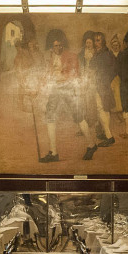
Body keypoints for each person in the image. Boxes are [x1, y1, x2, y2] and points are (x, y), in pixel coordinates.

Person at [39, 29, 95, 162]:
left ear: (63, 44)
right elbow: (46, 75)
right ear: (51, 46)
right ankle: (53, 153)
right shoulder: (51, 58)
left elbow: (74, 74)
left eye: (59, 45)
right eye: (54, 46)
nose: (57, 48)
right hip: (55, 90)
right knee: (50, 116)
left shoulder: (71, 55)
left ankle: (92, 144)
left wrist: (60, 78)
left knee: (78, 117)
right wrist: (36, 89)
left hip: (69, 89)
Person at [87, 31, 116, 147]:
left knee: (101, 108)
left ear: (103, 41)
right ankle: (106, 133)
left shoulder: (104, 54)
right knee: (104, 108)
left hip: (102, 85)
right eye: (95, 40)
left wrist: (106, 79)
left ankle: (109, 137)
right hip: (100, 84)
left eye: (98, 40)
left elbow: (113, 69)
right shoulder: (99, 53)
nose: (96, 42)